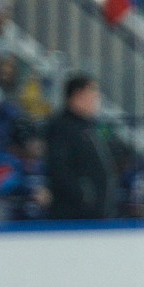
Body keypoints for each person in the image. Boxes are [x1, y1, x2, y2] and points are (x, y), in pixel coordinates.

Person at [45, 74, 122, 220]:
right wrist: (83, 195)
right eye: (93, 93)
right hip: (74, 217)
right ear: (78, 95)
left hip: (99, 213)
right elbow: (60, 169)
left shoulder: (93, 126)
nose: (97, 98)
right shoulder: (62, 127)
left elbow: (115, 150)